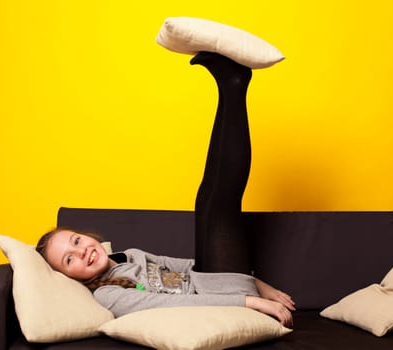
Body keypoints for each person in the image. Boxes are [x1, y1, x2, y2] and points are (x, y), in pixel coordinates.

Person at [36, 52, 295, 327]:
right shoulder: (108, 294)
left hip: (219, 282)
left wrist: (257, 284)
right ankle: (233, 85)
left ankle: (231, 85)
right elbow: (172, 303)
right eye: (69, 259)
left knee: (209, 199)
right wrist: (249, 300)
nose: (82, 252)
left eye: (76, 241)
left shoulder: (130, 256)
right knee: (219, 203)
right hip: (224, 302)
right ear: (68, 276)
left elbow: (185, 266)